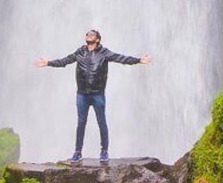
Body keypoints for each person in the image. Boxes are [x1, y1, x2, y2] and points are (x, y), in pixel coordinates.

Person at [34, 29, 152, 165]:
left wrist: (138, 60)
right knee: (81, 123)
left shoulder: (104, 53)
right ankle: (77, 152)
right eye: (87, 34)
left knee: (101, 122)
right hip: (82, 94)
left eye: (91, 34)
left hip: (97, 94)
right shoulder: (80, 52)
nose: (88, 35)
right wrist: (48, 62)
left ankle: (104, 151)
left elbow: (121, 58)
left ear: (97, 39)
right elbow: (64, 61)